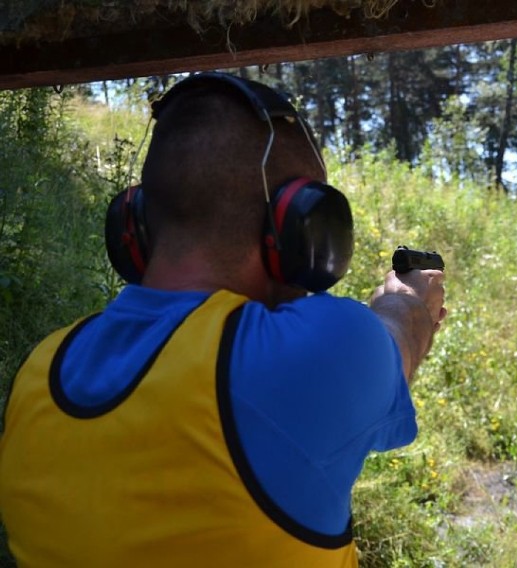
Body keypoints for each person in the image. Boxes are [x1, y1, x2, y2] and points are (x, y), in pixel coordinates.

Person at [0, 72, 446, 567]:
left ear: (137, 226)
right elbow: (400, 332)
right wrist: (407, 298)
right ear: (300, 228)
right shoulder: (297, 357)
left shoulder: (38, 373)